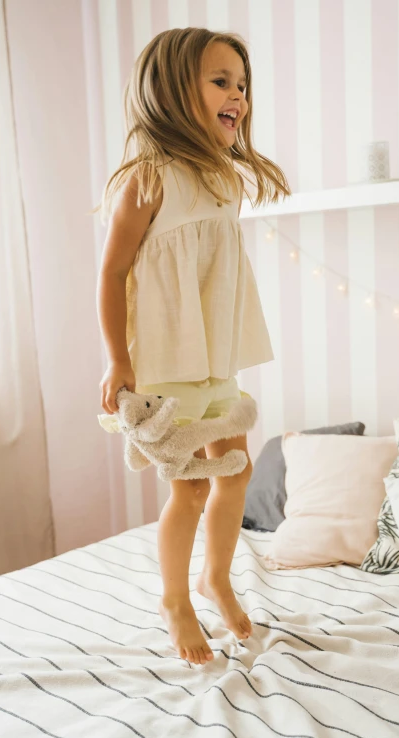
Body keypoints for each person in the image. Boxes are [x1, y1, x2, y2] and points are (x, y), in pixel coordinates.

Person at [94, 27, 290, 665]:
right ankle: (175, 598)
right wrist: (118, 358)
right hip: (166, 361)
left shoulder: (225, 180)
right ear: (176, 90)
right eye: (220, 81)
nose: (237, 93)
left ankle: (217, 577)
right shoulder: (146, 182)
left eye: (241, 83)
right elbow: (112, 272)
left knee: (236, 470)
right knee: (191, 488)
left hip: (215, 359)